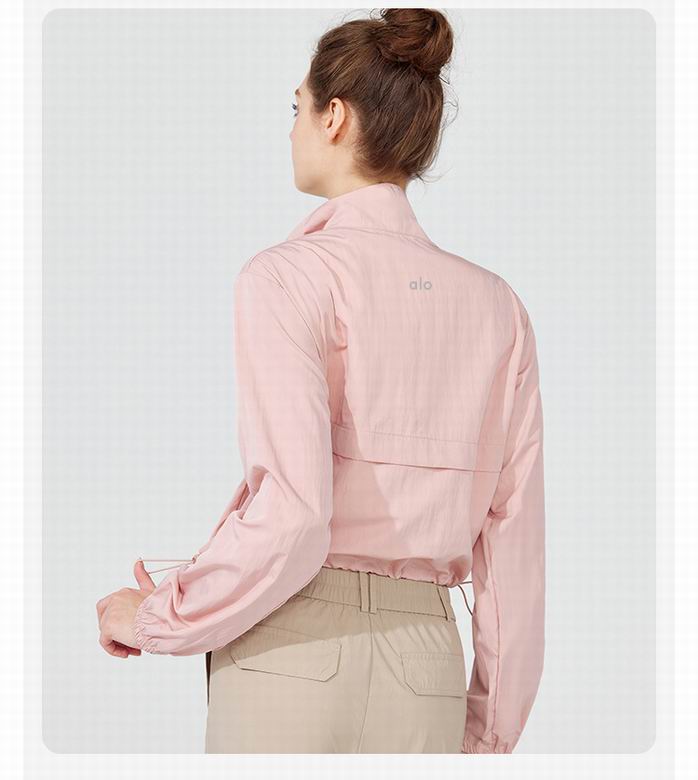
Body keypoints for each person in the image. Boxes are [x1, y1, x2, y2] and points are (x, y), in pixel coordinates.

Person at [95, 8, 545, 754]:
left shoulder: (287, 277)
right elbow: (515, 546)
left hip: (290, 648)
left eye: (296, 108)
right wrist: (488, 735)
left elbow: (296, 517)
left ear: (333, 116)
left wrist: (156, 615)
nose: (292, 129)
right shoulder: (499, 308)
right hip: (427, 667)